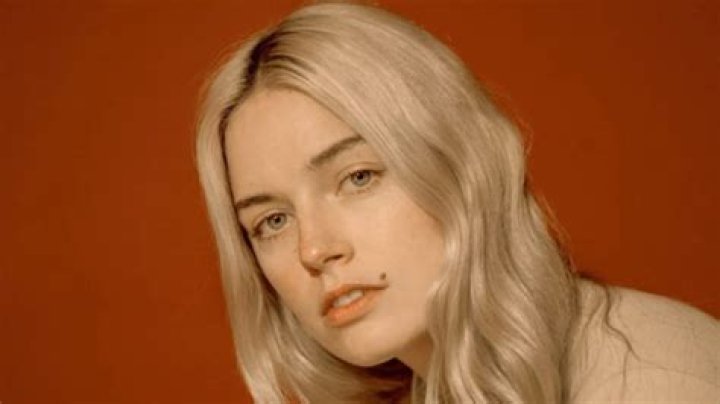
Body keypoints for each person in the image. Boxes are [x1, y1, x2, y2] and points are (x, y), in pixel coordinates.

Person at [195, 2, 719, 403]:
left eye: (358, 177)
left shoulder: (653, 382)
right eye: (273, 221)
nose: (314, 249)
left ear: (458, 165)